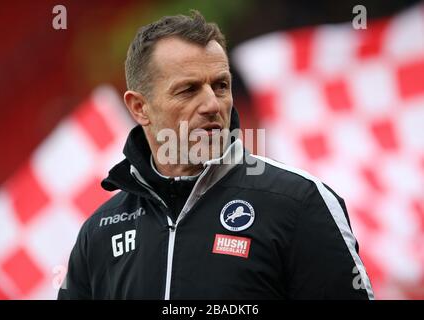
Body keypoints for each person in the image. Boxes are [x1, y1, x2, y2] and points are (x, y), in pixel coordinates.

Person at [58, 10, 374, 300]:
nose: (212, 104)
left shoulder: (299, 201)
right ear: (140, 107)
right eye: (189, 90)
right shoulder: (98, 232)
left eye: (221, 86)